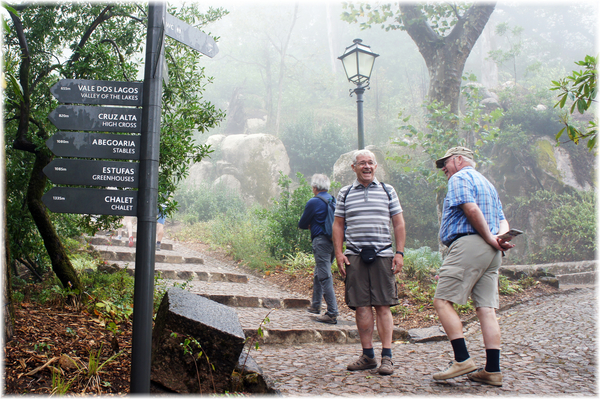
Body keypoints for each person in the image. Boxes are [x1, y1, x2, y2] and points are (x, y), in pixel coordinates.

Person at [431, 146, 515, 387]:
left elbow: (470, 208)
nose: (444, 169)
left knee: (442, 301)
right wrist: (499, 239)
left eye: (445, 163)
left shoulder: (460, 177)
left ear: (458, 160)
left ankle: (462, 359)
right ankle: (492, 370)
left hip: (470, 244)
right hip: (492, 253)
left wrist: (488, 238)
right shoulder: (488, 184)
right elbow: (502, 219)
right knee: (486, 310)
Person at [332, 149, 406, 376]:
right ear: (353, 167)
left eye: (370, 163)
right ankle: (368, 356)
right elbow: (338, 225)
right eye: (362, 163)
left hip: (383, 254)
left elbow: (399, 223)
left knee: (383, 305)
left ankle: (387, 357)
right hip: (354, 256)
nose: (367, 166)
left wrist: (399, 252)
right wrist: (338, 253)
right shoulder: (345, 193)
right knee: (361, 306)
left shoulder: (387, 190)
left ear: (376, 166)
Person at [298, 174, 339, 324]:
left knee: (324, 275)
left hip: (321, 241)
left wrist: (311, 224)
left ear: (314, 188)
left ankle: (332, 312)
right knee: (319, 272)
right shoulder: (333, 200)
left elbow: (302, 223)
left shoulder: (314, 202)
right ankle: (315, 305)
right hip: (335, 242)